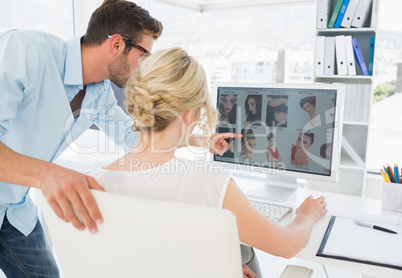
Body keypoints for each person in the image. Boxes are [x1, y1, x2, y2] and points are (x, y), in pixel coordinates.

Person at [0, 1, 235, 277]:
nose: (145, 69)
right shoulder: (25, 52)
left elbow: (133, 138)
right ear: (116, 45)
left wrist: (198, 141)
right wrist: (48, 174)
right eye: (144, 55)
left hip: (13, 211)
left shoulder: (99, 93)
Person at [90, 48, 327, 277]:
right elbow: (285, 246)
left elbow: (148, 253)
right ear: (188, 113)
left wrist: (220, 264)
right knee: (246, 251)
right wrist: (306, 215)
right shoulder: (206, 179)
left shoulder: (95, 181)